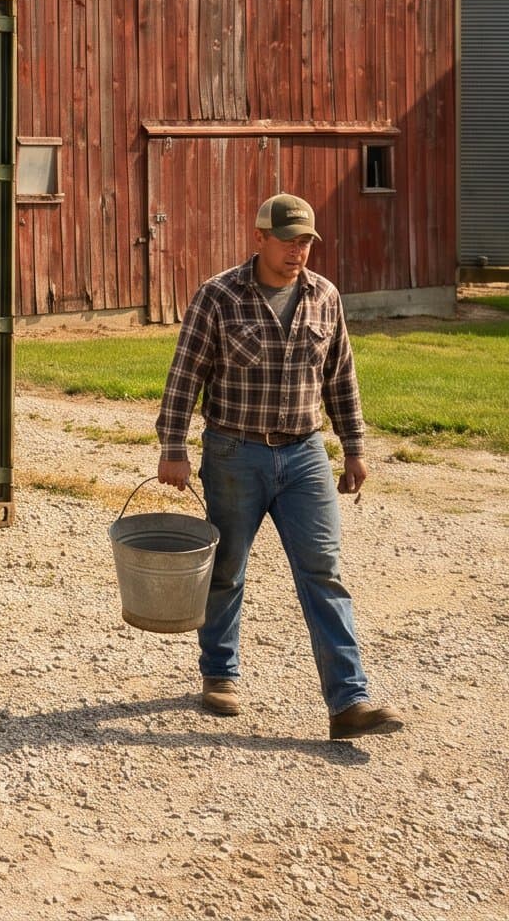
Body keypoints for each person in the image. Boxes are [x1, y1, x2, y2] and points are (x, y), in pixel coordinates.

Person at [153, 193, 404, 741]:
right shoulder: (218, 296)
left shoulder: (324, 297)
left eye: (307, 241)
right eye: (288, 240)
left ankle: (348, 703)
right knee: (226, 571)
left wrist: (354, 445)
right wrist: (173, 447)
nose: (298, 251)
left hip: (305, 454)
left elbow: (341, 377)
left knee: (324, 573)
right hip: (233, 451)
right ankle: (219, 673)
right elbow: (184, 376)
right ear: (259, 237)